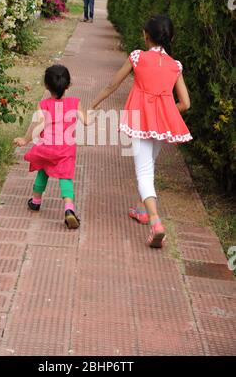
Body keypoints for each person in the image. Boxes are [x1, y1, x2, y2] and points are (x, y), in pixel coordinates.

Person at [90, 15, 192, 248]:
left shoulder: (137, 57)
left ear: (146, 36)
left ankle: (156, 223)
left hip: (138, 122)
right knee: (149, 165)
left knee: (143, 172)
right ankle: (141, 210)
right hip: (160, 126)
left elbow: (112, 85)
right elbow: (185, 103)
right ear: (170, 38)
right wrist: (164, 114)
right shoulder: (175, 66)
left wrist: (92, 105)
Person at [14, 64, 93, 229]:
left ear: (46, 85)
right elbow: (86, 121)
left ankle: (36, 201)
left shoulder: (43, 105)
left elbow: (39, 126)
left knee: (43, 171)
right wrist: (91, 114)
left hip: (46, 147)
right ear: (69, 85)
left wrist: (25, 140)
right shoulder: (75, 102)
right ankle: (69, 209)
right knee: (66, 177)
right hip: (65, 149)